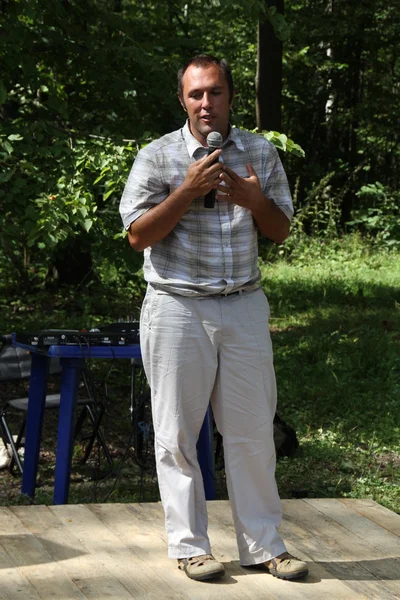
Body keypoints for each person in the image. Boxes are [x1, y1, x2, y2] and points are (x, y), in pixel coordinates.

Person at [119, 54, 308, 583]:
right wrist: (186, 191)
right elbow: (136, 236)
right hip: (177, 306)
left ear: (230, 97)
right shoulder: (156, 157)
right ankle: (190, 546)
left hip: (244, 303)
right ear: (182, 100)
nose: (206, 104)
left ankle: (266, 546)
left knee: (251, 432)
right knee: (177, 434)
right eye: (196, 95)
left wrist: (253, 199)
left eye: (216, 93)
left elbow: (281, 231)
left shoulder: (259, 152)